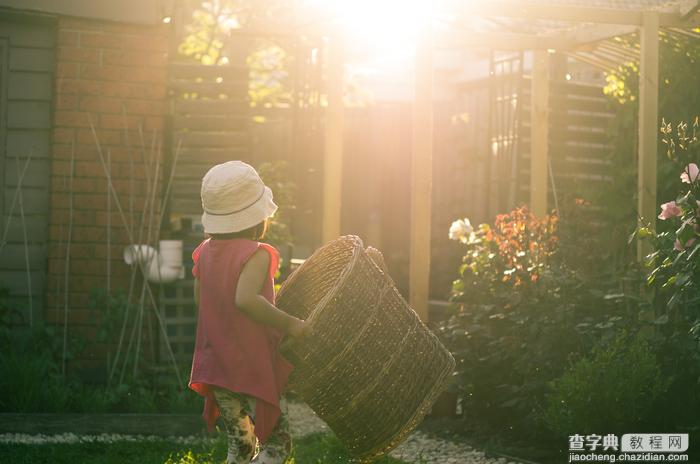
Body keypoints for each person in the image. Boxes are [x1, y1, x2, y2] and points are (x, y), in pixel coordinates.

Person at [189, 160, 311, 464]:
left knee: (241, 446)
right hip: (252, 363)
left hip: (218, 363)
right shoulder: (256, 254)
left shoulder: (204, 252)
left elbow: (199, 299)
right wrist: (291, 324)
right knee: (277, 446)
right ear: (258, 218)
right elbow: (245, 300)